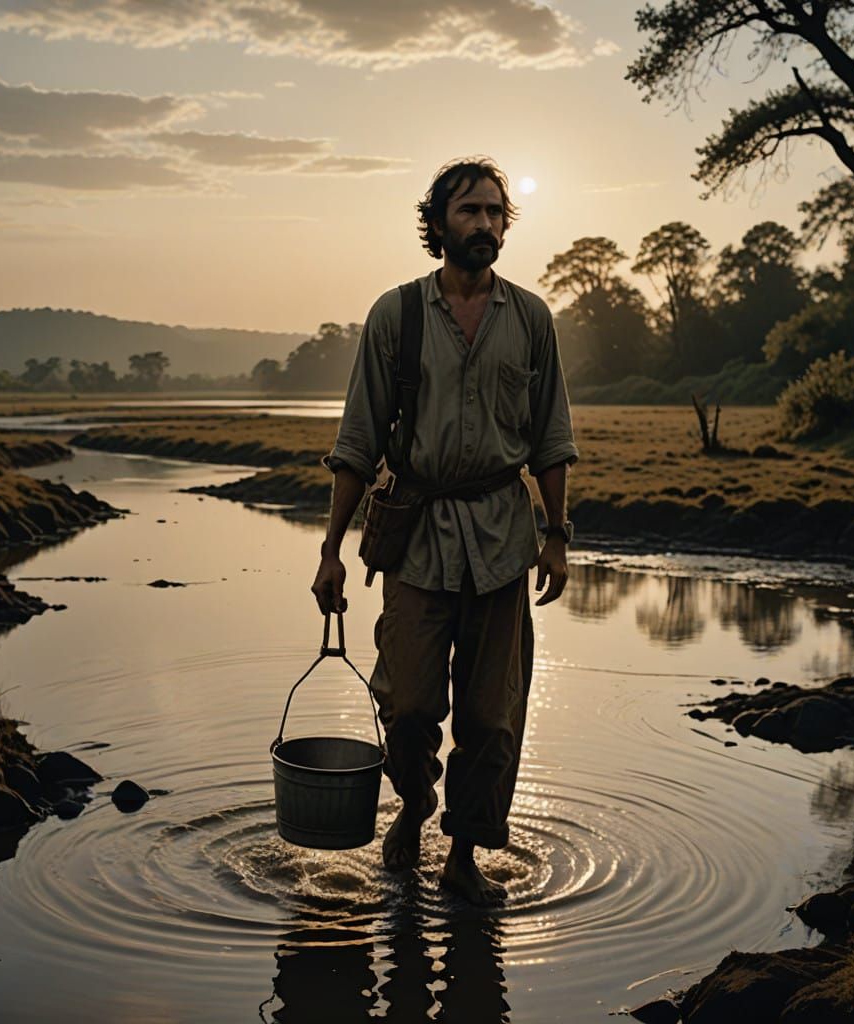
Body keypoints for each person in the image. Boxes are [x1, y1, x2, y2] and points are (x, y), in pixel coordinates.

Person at [311, 157, 578, 905]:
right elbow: (358, 441)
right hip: (417, 541)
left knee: (493, 719)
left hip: (502, 540)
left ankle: (463, 852)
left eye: (496, 213)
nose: (486, 225)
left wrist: (556, 536)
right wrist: (331, 551)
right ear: (438, 223)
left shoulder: (530, 319)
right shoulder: (395, 316)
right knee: (407, 706)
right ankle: (413, 806)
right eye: (470, 212)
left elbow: (551, 437)